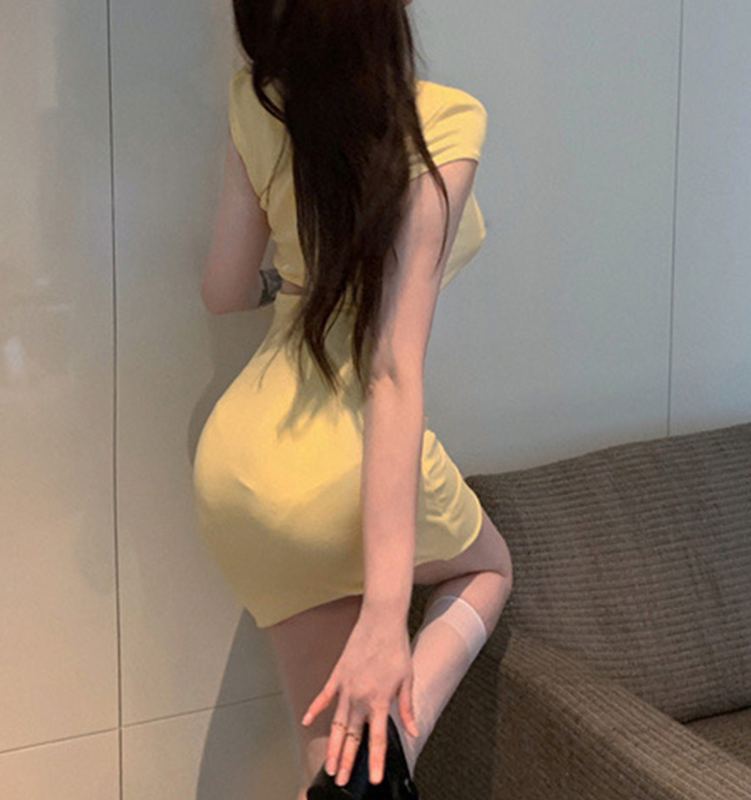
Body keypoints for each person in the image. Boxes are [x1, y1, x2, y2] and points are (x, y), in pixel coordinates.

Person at [192, 1, 514, 797]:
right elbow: (391, 371)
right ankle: (387, 748)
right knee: (488, 568)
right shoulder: (444, 126)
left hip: (240, 471)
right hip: (339, 463)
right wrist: (384, 615)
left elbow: (222, 290)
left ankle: (371, 764)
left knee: (331, 763)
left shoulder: (259, 101)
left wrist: (291, 285)